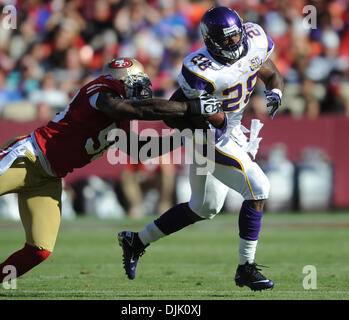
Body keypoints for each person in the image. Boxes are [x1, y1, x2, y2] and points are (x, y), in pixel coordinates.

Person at [0, 57, 221, 298]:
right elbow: (128, 108)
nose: (142, 88)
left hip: (48, 179)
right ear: (118, 81)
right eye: (135, 82)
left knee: (39, 251)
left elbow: (140, 150)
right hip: (27, 158)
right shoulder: (100, 90)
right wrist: (191, 109)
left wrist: (184, 134)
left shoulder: (123, 117)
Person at [118, 6, 284, 291]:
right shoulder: (200, 68)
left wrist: (276, 89)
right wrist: (202, 111)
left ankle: (136, 241)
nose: (233, 44)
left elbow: (265, 69)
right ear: (210, 41)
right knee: (258, 187)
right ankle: (246, 268)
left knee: (204, 207)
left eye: (236, 37)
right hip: (208, 138)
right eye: (226, 40)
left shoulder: (255, 39)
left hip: (231, 132)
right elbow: (172, 114)